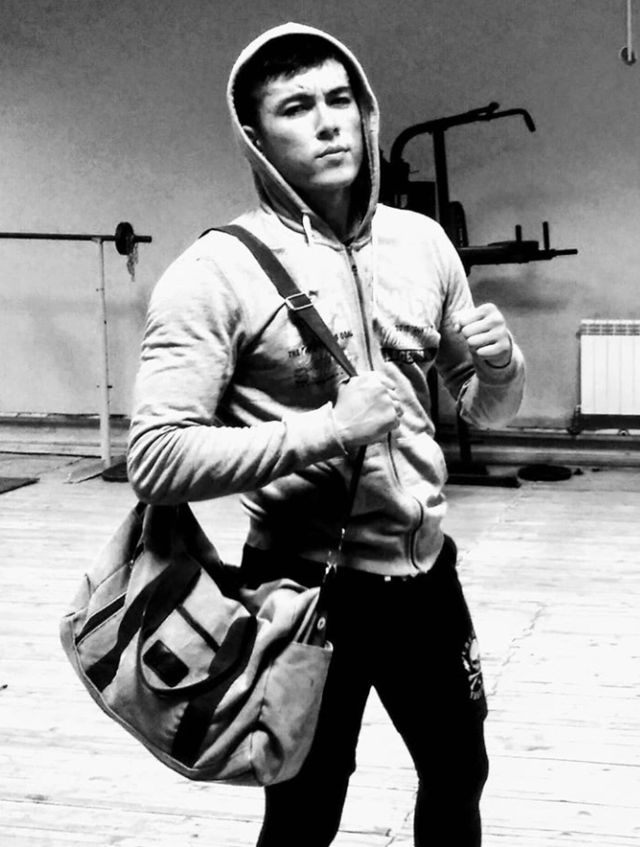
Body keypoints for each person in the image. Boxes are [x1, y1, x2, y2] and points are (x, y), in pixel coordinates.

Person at [127, 22, 525, 847]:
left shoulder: (422, 243)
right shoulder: (214, 273)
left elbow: (485, 409)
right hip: (304, 587)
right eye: (297, 107)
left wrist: (501, 367)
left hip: (424, 574)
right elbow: (156, 457)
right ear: (255, 136)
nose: (329, 122)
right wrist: (329, 430)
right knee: (307, 808)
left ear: (367, 113)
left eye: (341, 100)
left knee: (459, 771)